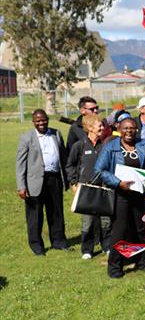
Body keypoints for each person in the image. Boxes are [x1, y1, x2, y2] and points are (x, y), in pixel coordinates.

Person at [95, 117, 145, 278]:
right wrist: (118, 183)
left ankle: (143, 262)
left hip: (140, 194)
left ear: (137, 130)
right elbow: (99, 170)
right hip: (121, 195)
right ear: (119, 129)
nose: (129, 131)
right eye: (126, 128)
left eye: (132, 128)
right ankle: (115, 267)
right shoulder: (110, 147)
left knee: (141, 229)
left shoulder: (143, 144)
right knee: (120, 231)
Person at [16, 109, 69, 256]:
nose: (41, 123)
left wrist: (67, 178)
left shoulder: (56, 133)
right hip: (34, 182)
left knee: (56, 213)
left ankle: (58, 241)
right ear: (33, 122)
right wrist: (21, 186)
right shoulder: (26, 138)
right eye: (38, 121)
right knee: (35, 216)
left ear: (47, 119)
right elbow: (20, 164)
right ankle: (37, 246)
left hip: (55, 179)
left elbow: (63, 157)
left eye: (43, 120)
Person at [66, 113, 110, 258]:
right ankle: (87, 249)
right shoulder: (79, 146)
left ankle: (106, 246)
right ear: (90, 128)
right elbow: (70, 165)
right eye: (100, 125)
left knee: (105, 221)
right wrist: (73, 183)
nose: (102, 128)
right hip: (86, 189)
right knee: (88, 222)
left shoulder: (105, 146)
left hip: (103, 188)